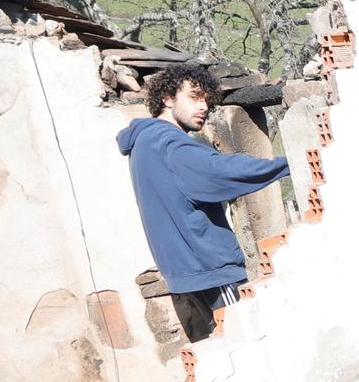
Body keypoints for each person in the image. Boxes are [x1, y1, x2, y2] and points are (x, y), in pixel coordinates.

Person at [117, 66, 290, 329]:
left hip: (185, 272)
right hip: (208, 269)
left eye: (207, 99)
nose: (204, 106)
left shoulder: (143, 141)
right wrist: (288, 165)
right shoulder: (168, 142)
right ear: (168, 99)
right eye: (194, 97)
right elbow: (220, 171)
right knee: (251, 338)